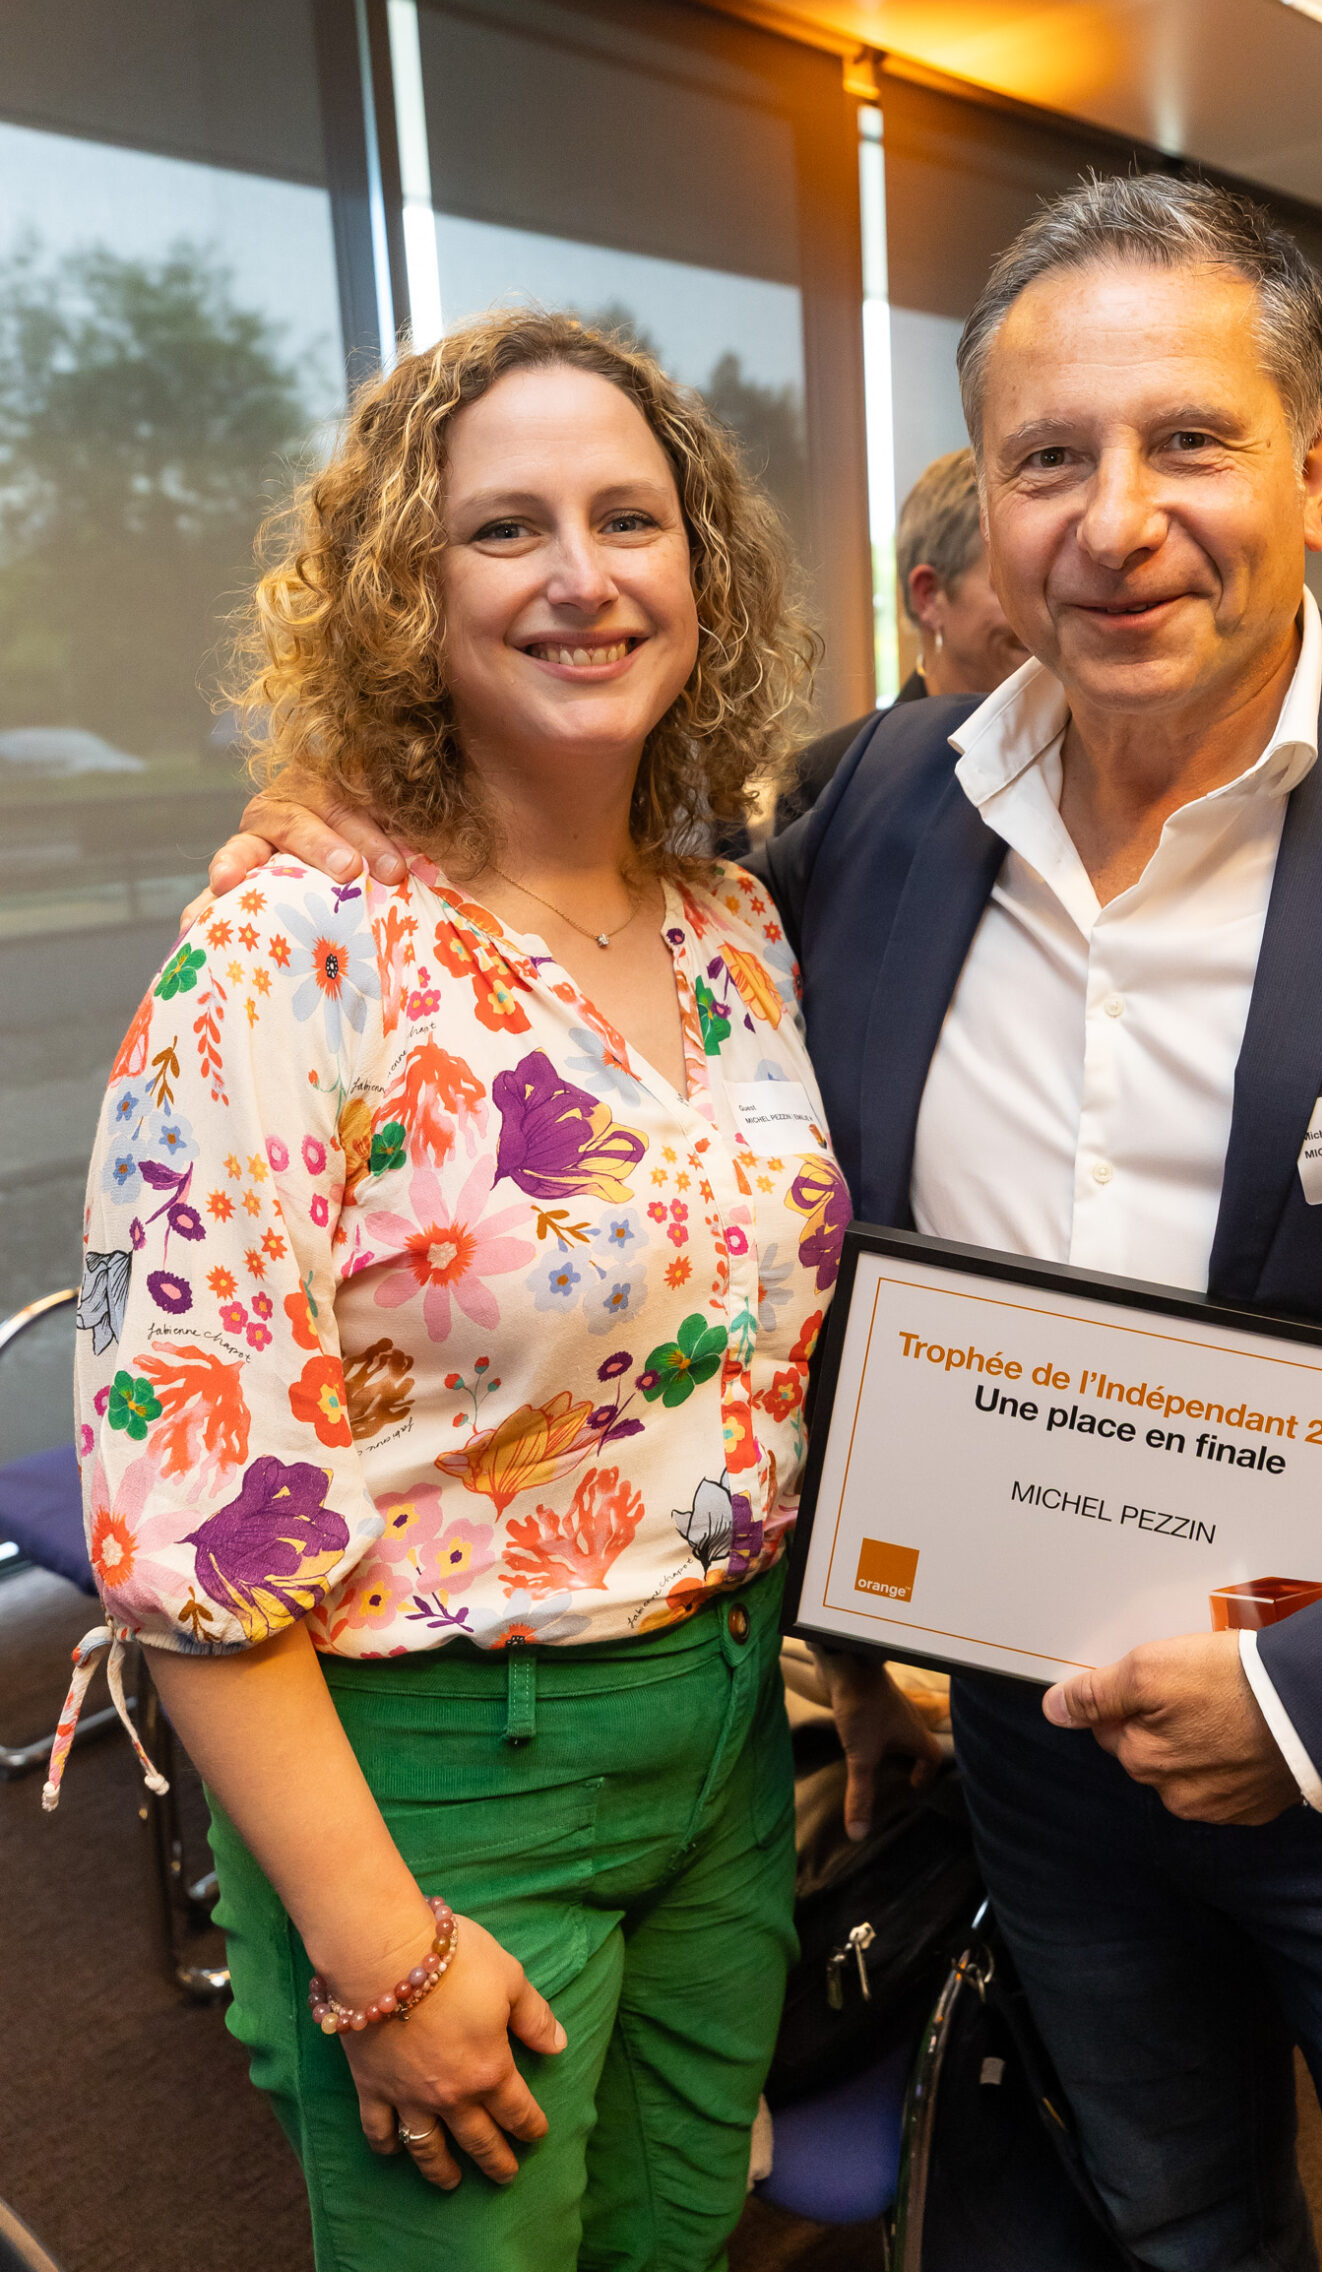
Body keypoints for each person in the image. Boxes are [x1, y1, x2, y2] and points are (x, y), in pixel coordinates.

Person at [205, 175, 1322, 2271]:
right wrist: (385, 814)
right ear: (982, 506)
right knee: (1170, 2230)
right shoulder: (881, 813)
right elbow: (603, 924)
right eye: (1048, 458)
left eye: (1188, 439)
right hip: (1053, 1774)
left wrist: (1304, 1697)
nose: (1118, 518)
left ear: (1314, 457)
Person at [65, 309, 933, 2272]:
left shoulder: (733, 924)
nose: (580, 574)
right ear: (403, 587)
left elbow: (748, 1358)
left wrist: (852, 1659)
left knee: (678, 2231)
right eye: (502, 528)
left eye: (629, 517)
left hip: (727, 1732)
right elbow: (185, 1523)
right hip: (442, 1767)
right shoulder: (296, 939)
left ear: (698, 569)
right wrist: (374, 1947)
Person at [770, 444, 1026, 829]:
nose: (1039, 607)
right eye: (1009, 584)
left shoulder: (1098, 761)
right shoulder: (834, 780)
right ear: (929, 597)